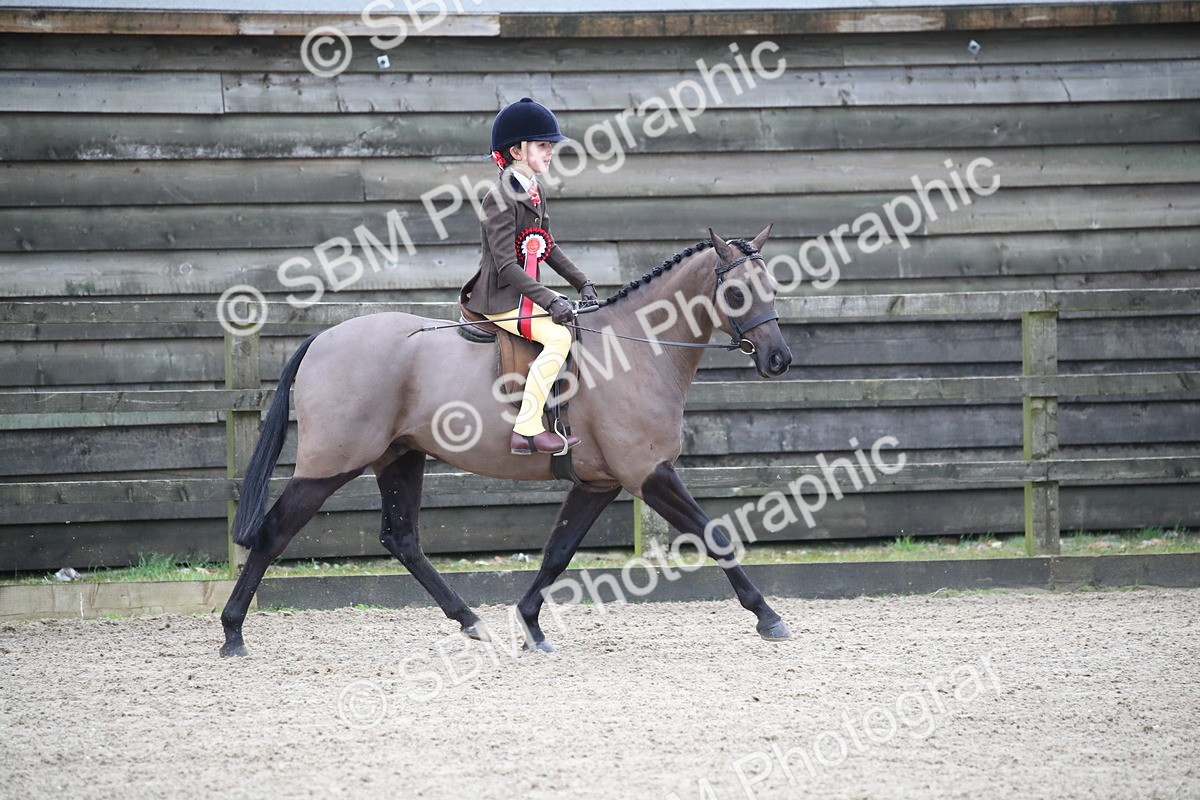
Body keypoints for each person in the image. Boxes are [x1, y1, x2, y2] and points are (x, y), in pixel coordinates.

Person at [461, 97, 599, 455]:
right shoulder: (500, 198)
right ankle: (526, 429)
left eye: (550, 145)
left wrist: (582, 282)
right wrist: (551, 300)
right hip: (498, 298)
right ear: (517, 151)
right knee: (557, 339)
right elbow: (507, 266)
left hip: (521, 295)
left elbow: (545, 246)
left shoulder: (535, 192)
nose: (550, 151)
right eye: (542, 144)